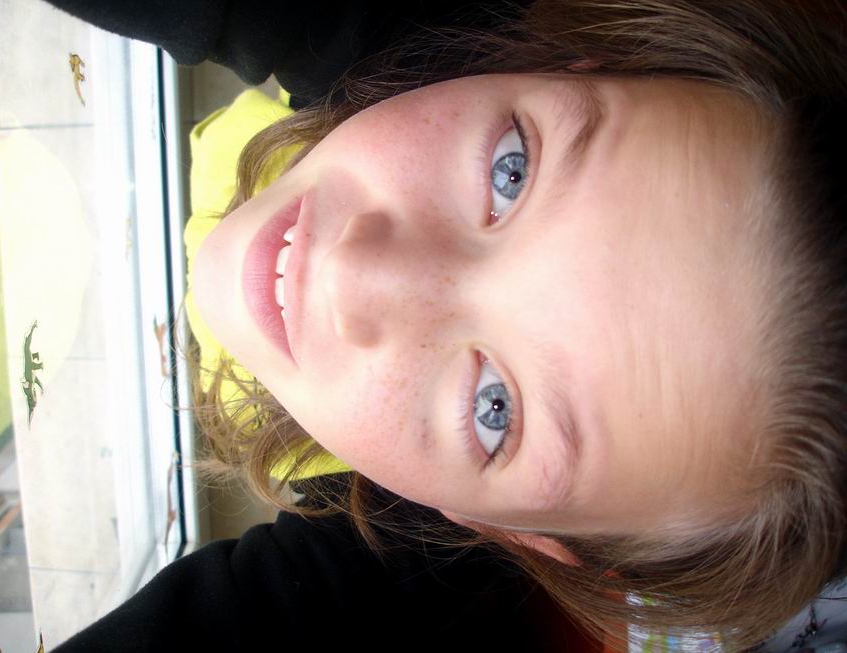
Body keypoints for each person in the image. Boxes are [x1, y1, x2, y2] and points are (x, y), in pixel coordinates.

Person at [47, 0, 846, 650]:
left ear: (511, 530)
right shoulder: (448, 33)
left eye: (495, 408)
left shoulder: (404, 580)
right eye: (511, 173)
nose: (352, 274)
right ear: (555, 63)